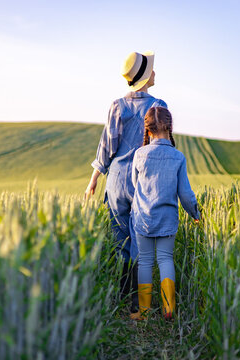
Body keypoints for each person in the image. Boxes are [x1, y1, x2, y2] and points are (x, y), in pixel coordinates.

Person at [85, 51, 167, 315]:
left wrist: (94, 179)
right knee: (139, 240)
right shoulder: (159, 106)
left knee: (119, 238)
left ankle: (120, 297)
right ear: (144, 77)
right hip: (144, 182)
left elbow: (106, 146)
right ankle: (135, 303)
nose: (154, 72)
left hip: (117, 180)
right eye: (151, 70)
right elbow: (161, 149)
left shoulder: (117, 105)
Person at [129, 107, 200, 321]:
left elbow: (135, 185)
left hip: (143, 218)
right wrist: (195, 212)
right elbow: (185, 193)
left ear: (148, 131)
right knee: (165, 259)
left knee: (146, 262)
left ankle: (143, 311)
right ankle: (169, 309)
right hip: (168, 219)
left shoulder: (139, 154)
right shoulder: (178, 157)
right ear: (170, 128)